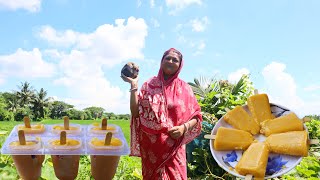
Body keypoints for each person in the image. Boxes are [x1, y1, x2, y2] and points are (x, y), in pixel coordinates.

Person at [121, 48, 202, 180]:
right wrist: (133, 84)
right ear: (161, 61)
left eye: (175, 60)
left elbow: (197, 117)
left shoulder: (185, 88)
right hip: (151, 149)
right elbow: (136, 113)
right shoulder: (149, 85)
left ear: (180, 65)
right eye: (167, 58)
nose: (170, 61)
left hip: (174, 148)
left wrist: (183, 128)